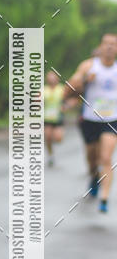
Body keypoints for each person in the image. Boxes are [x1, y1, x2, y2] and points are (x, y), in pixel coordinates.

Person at [65, 33, 117, 212]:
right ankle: (94, 175)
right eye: (106, 44)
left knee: (106, 158)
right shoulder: (88, 66)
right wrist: (85, 80)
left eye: (113, 44)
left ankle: (104, 198)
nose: (110, 47)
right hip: (90, 119)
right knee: (92, 157)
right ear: (101, 47)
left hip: (112, 120)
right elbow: (69, 89)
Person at [43, 71, 65, 166]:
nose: (51, 80)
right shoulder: (44, 90)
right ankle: (50, 155)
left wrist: (66, 106)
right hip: (47, 117)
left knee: (58, 138)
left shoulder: (62, 89)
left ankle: (54, 141)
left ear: (57, 79)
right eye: (49, 78)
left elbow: (69, 99)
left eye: (53, 78)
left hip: (58, 117)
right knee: (47, 137)